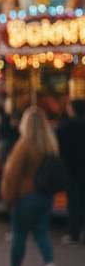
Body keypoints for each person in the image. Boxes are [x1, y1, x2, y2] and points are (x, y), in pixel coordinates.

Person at [0, 107, 60, 266]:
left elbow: (12, 174)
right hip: (45, 196)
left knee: (19, 236)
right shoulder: (50, 144)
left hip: (25, 196)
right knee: (42, 233)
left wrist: (8, 198)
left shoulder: (24, 145)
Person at [56, 99, 85, 245]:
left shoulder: (67, 126)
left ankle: (74, 233)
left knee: (74, 202)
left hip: (71, 169)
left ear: (72, 109)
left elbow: (57, 144)